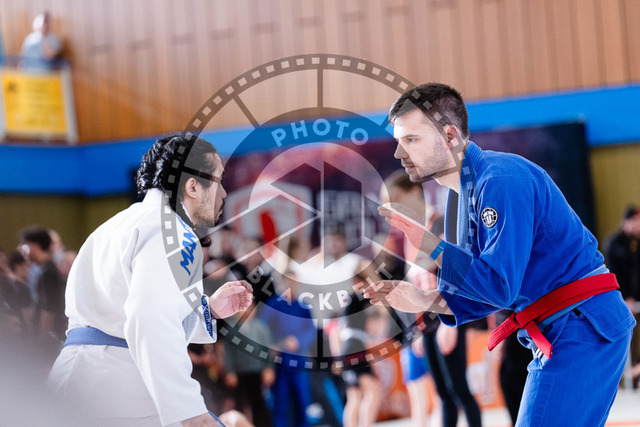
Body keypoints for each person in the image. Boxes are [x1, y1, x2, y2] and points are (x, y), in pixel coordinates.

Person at [365, 83, 635, 426]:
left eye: (411, 139)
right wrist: (425, 299)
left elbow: (499, 286)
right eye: (398, 141)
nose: (398, 153)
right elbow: (483, 289)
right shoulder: (460, 197)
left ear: (449, 136)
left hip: (581, 323)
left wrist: (430, 244)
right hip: (566, 324)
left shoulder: (500, 180)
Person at [47, 134, 254, 426]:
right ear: (193, 186)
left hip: (79, 379)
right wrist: (188, 409)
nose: (223, 193)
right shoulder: (173, 233)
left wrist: (208, 310)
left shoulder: (117, 224)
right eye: (218, 180)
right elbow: (150, 319)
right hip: (114, 393)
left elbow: (124, 307)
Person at [382, 171, 481, 427]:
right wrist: (416, 329)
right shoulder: (410, 237)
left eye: (396, 199)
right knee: (442, 394)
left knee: (459, 390)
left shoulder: (439, 224)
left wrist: (452, 323)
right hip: (425, 323)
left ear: (415, 192)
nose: (392, 209)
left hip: (446, 316)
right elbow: (415, 287)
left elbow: (456, 275)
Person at [606, 205, 640, 387]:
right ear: (627, 222)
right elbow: (614, 274)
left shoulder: (637, 243)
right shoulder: (614, 244)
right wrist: (625, 297)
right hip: (622, 302)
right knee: (628, 339)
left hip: (636, 299)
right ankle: (628, 377)